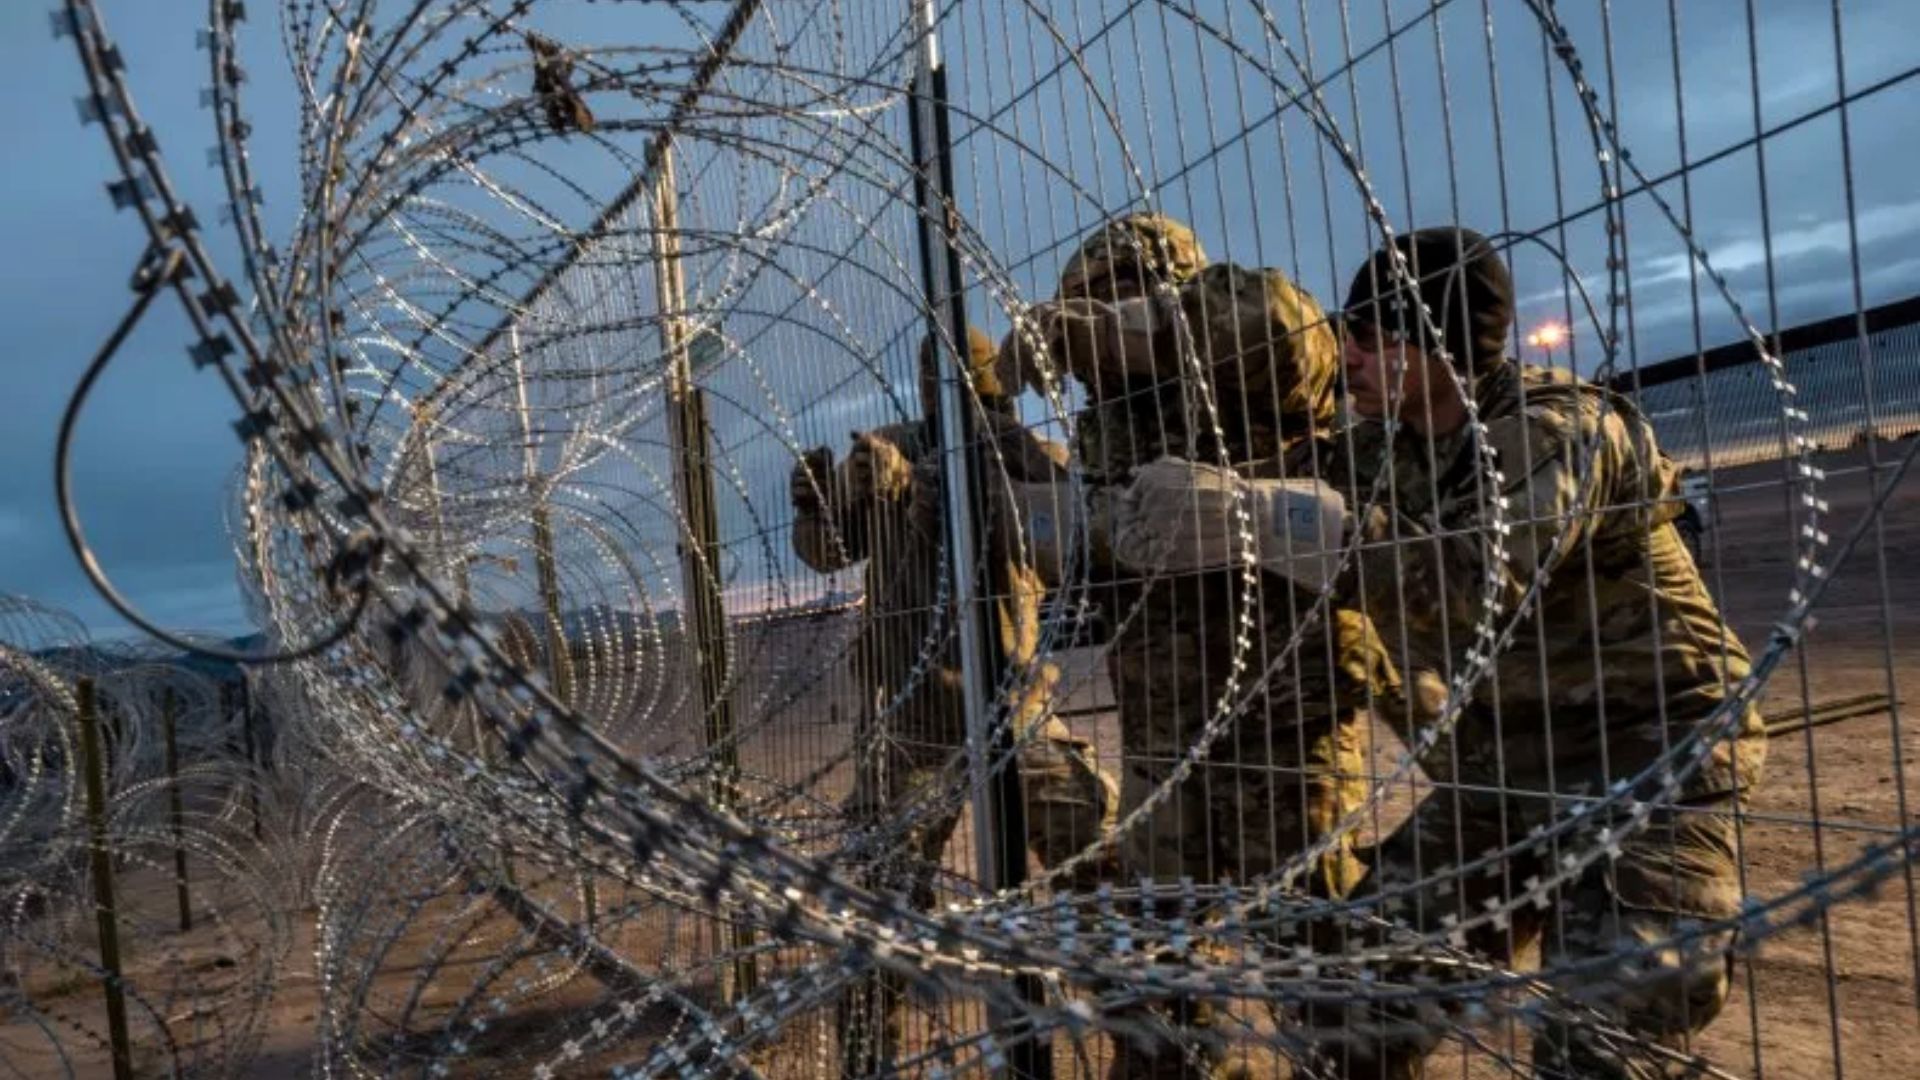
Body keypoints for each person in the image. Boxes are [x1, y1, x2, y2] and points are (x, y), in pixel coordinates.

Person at [1319, 226, 1767, 1077]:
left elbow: (1470, 582)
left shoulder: (1562, 428)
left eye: (1368, 336)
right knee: (1351, 1006)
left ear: (1435, 341)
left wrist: (1293, 526)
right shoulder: (1383, 449)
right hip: (1509, 761)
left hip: (1646, 760)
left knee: (1601, 1044)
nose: (1349, 358)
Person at [1015, 213, 1395, 1079]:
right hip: (1162, 731)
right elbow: (1122, 538)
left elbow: (1284, 330)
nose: (1087, 347)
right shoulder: (1113, 417)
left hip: (1280, 723)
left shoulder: (1240, 342)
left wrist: (1130, 331)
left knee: (1321, 982)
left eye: (1106, 301)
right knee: (1161, 991)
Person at [790, 327, 1118, 1076]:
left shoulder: (1021, 455)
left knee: (1098, 865)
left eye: (967, 381)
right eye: (941, 380)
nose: (955, 396)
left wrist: (917, 490)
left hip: (1012, 708)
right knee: (881, 908)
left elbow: (1052, 541)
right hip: (913, 718)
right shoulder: (887, 447)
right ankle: (869, 1061)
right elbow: (831, 551)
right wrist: (816, 507)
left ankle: (1145, 1033)